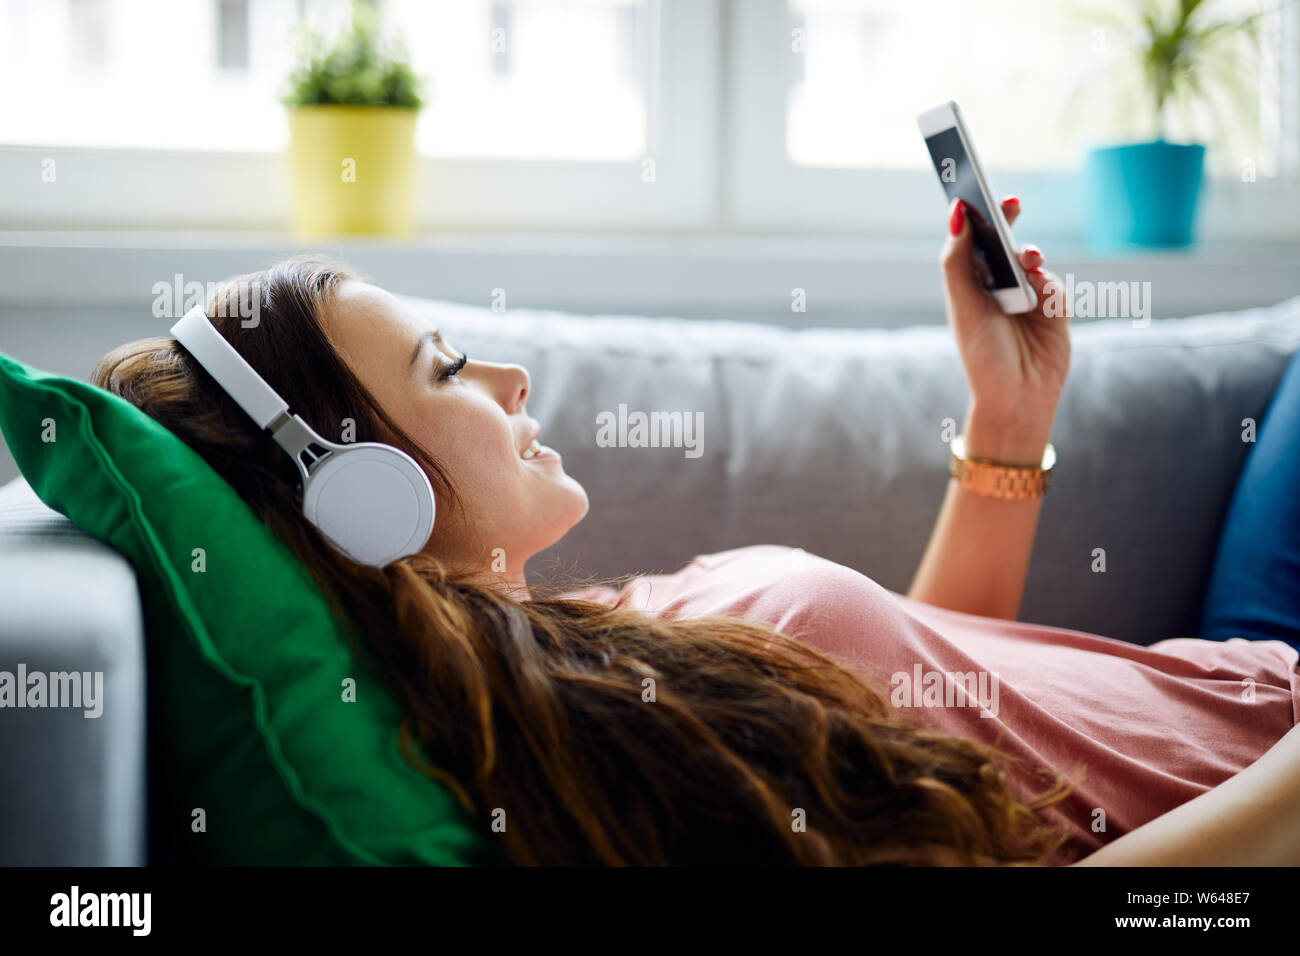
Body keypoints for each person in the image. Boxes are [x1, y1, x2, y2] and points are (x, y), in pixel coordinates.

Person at [91, 196, 1300, 866]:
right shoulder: (596, 759)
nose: (511, 376)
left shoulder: (580, 660)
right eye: (448, 366)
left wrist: (1005, 419)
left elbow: (947, 719)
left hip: (1235, 663)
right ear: (360, 497)